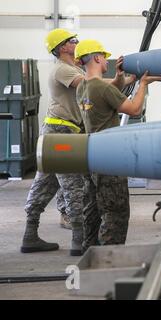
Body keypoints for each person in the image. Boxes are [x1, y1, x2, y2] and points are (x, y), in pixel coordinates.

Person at [75, 39, 161, 251]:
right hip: (110, 159)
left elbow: (106, 93)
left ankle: (91, 253)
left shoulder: (83, 87)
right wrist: (142, 85)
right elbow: (134, 110)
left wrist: (120, 78)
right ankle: (109, 257)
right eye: (104, 56)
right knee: (115, 212)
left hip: (90, 156)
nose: (107, 60)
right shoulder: (101, 89)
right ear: (97, 58)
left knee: (93, 209)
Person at [21, 29, 85, 256]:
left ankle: (29, 236)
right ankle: (79, 240)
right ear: (61, 47)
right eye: (72, 41)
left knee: (45, 183)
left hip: (57, 131)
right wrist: (121, 79)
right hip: (61, 132)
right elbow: (89, 86)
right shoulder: (63, 69)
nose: (76, 42)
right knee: (73, 183)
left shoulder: (72, 67)